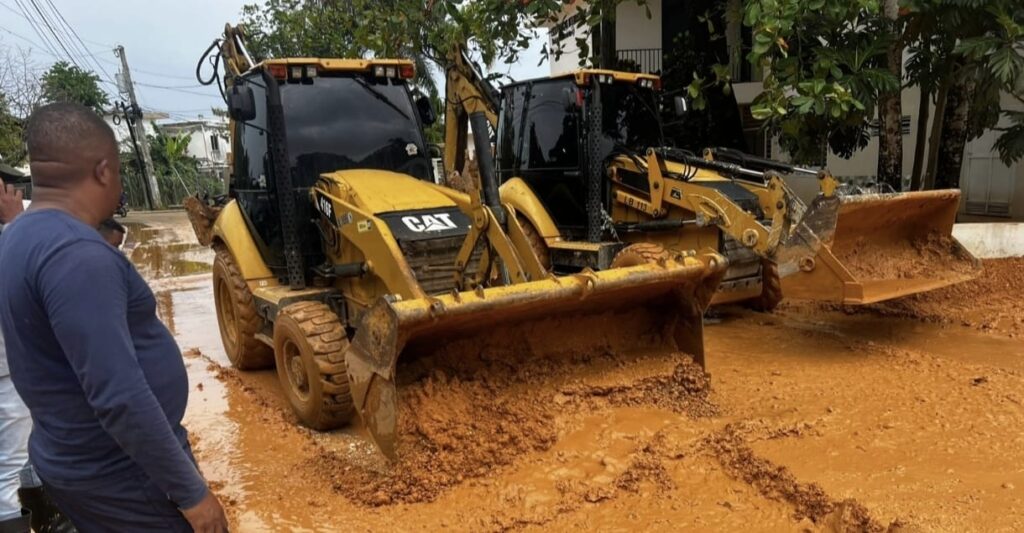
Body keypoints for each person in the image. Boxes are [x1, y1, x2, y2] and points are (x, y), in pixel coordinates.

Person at [0, 103, 228, 532]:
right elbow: (119, 395)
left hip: (76, 459)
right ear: (103, 171)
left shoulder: (19, 235)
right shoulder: (77, 256)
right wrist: (192, 494)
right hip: (122, 473)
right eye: (119, 171)